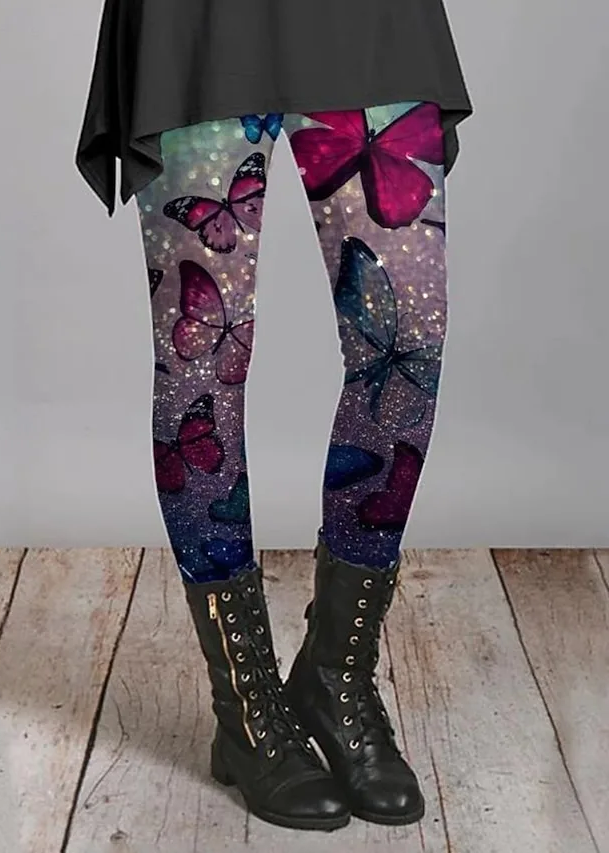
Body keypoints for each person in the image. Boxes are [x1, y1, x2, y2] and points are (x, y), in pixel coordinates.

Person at [75, 0, 472, 832]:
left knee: (407, 340)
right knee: (203, 363)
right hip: (198, 23)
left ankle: (336, 675)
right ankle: (247, 708)